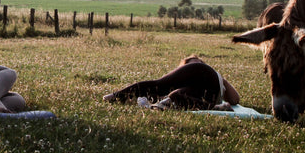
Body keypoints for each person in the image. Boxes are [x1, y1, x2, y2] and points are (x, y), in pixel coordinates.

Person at [103, 56, 240, 111]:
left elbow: (235, 98)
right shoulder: (185, 89)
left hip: (210, 81)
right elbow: (234, 100)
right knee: (174, 96)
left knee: (159, 85)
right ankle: (217, 108)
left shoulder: (208, 73)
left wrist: (220, 77)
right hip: (209, 96)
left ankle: (116, 95)